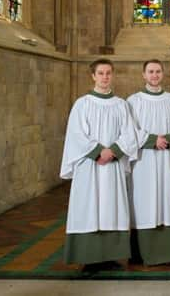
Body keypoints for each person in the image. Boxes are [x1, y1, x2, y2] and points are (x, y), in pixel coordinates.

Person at [60, 59, 138, 273]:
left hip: (112, 165)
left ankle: (110, 256)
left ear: (112, 75)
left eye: (108, 73)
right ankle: (89, 258)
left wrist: (112, 151)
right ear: (93, 76)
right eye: (101, 73)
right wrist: (98, 152)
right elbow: (76, 134)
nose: (105, 77)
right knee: (90, 208)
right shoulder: (83, 104)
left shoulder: (121, 105)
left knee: (111, 208)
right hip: (90, 166)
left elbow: (129, 134)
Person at [127, 60, 170, 266]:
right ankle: (140, 253)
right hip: (144, 161)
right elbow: (130, 129)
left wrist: (166, 139)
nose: (154, 75)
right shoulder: (134, 101)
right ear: (144, 75)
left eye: (158, 71)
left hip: (166, 158)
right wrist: (153, 140)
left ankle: (167, 253)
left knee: (166, 201)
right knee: (143, 201)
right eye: (150, 72)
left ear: (163, 74)